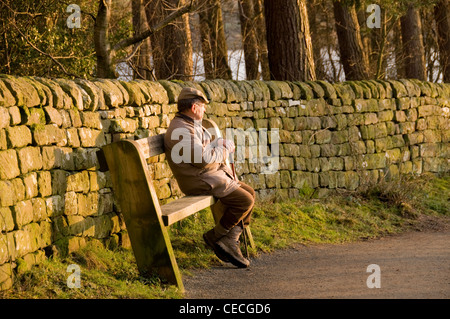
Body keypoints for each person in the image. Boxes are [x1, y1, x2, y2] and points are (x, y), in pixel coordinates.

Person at [164, 87, 255, 268]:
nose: (205, 109)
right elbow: (202, 158)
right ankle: (216, 237)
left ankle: (229, 239)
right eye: (202, 106)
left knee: (250, 193)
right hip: (198, 180)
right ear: (193, 107)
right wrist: (224, 149)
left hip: (207, 175)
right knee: (244, 200)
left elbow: (201, 148)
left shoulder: (189, 124)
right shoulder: (181, 128)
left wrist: (217, 143)